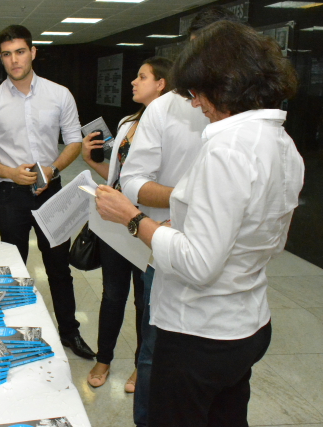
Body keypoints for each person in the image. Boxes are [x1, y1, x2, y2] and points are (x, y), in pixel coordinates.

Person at [97, 20, 303, 426]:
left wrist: (133, 219)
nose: (194, 104)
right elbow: (266, 238)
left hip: (200, 333)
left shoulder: (226, 149)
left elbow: (198, 264)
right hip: (248, 321)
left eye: (198, 92)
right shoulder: (282, 143)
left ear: (226, 84)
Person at [119, 8, 240, 425]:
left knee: (221, 377)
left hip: (231, 274)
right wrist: (193, 199)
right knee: (155, 353)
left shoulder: (250, 116)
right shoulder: (165, 109)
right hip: (166, 251)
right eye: (196, 53)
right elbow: (133, 182)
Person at [0, 25, 95, 359]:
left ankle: (69, 332)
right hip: (9, 193)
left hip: (51, 190)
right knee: (12, 269)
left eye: (20, 52)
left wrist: (53, 168)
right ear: (1, 58)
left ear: (33, 52)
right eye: (7, 54)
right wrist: (10, 172)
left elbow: (73, 140)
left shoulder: (59, 94)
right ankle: (11, 335)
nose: (14, 60)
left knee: (58, 266)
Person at [81, 57, 173, 388]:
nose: (133, 82)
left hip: (147, 223)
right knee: (112, 295)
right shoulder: (127, 123)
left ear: (161, 83)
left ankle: (140, 365)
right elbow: (120, 176)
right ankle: (103, 359)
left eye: (142, 77)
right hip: (115, 224)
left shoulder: (172, 126)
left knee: (145, 299)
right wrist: (90, 161)